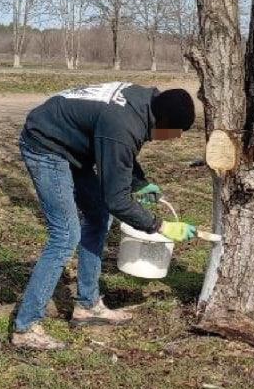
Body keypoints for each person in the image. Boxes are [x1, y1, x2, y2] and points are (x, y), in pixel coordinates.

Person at [10, 80, 200, 351]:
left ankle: (88, 305)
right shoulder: (123, 124)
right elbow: (117, 199)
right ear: (163, 121)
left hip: (73, 145)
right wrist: (160, 226)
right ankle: (25, 327)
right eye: (174, 133)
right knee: (65, 235)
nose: (174, 139)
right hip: (46, 144)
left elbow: (115, 152)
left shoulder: (145, 102)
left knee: (98, 217)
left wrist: (139, 181)